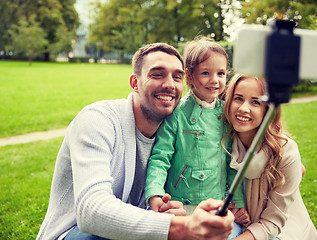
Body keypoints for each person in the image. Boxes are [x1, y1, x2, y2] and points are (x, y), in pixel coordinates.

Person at [36, 43, 235, 240]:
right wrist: (180, 227)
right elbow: (91, 211)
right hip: (74, 233)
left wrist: (165, 211)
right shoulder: (97, 120)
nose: (169, 84)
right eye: (157, 74)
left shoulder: (174, 131)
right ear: (134, 83)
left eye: (177, 77)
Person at [144, 38, 246, 239]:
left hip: (216, 204)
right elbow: (159, 158)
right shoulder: (176, 114)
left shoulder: (226, 114)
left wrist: (238, 203)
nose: (215, 80)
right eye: (206, 73)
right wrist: (154, 194)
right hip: (182, 206)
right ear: (189, 76)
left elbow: (231, 162)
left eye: (221, 73)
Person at [222, 74, 317, 240]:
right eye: (238, 98)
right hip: (243, 224)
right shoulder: (224, 141)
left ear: (268, 110)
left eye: (255, 102)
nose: (244, 109)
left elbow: (272, 224)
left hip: (281, 231)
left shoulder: (286, 151)